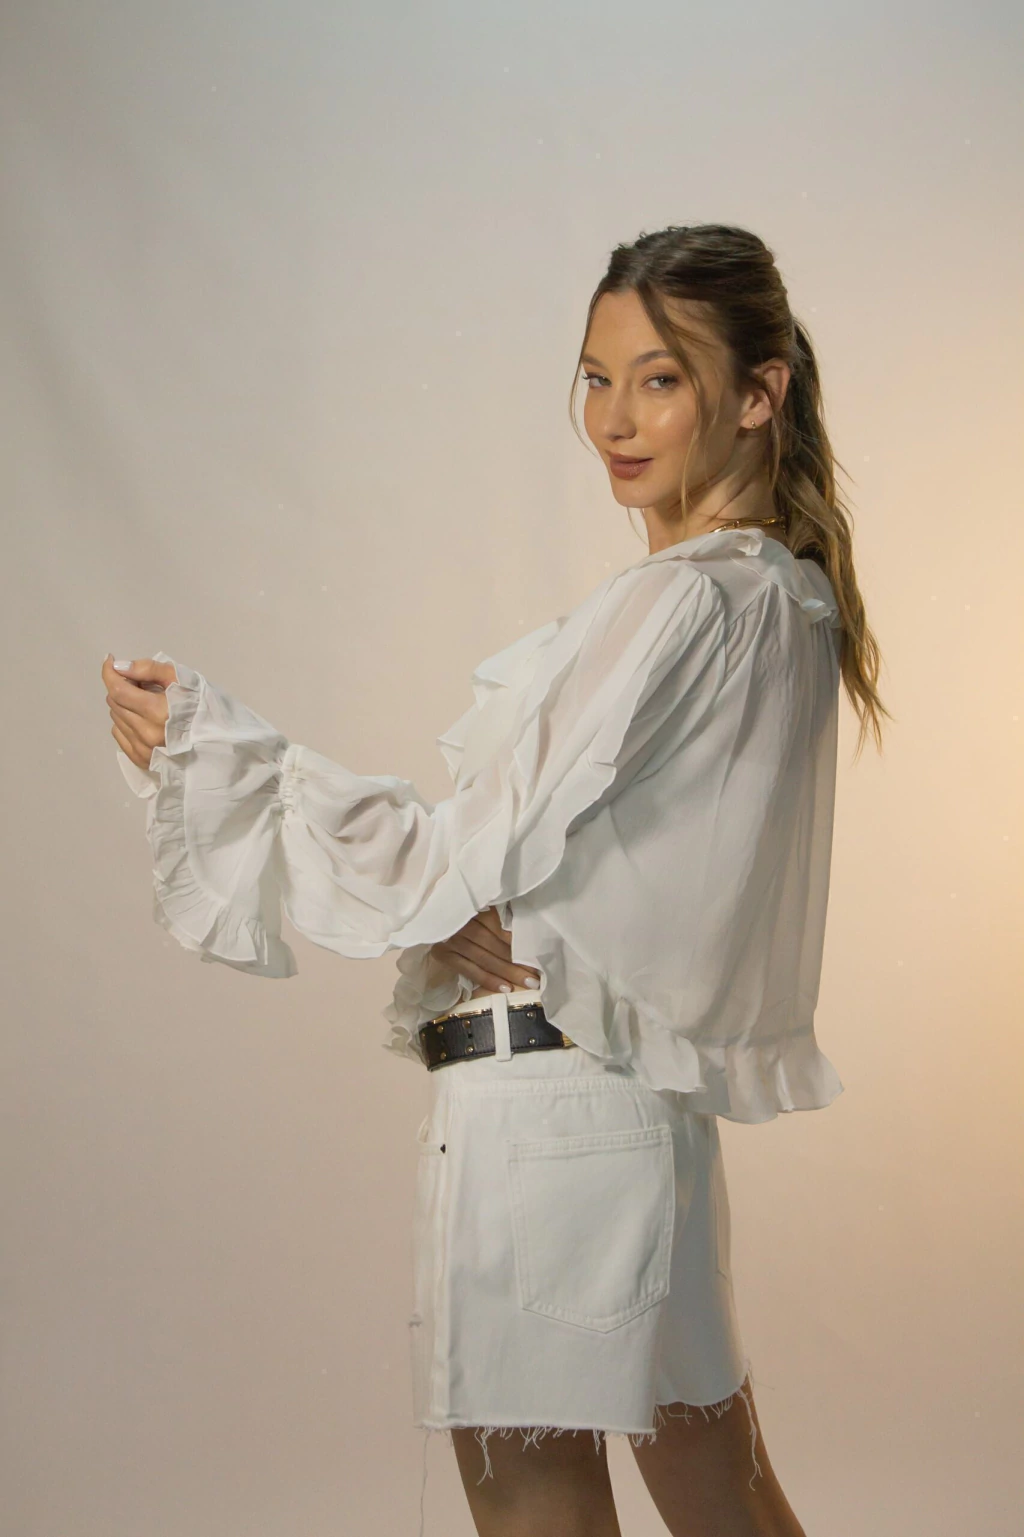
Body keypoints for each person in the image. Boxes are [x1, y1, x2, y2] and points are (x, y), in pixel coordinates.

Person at [102, 223, 887, 1537]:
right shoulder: (785, 597)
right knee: (724, 1490)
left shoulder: (684, 601)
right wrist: (475, 898)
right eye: (595, 377)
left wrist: (216, 747)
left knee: (535, 1500)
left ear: (760, 394)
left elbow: (454, 857)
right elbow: (588, 871)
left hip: (550, 1112)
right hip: (638, 1117)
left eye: (660, 379)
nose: (614, 421)